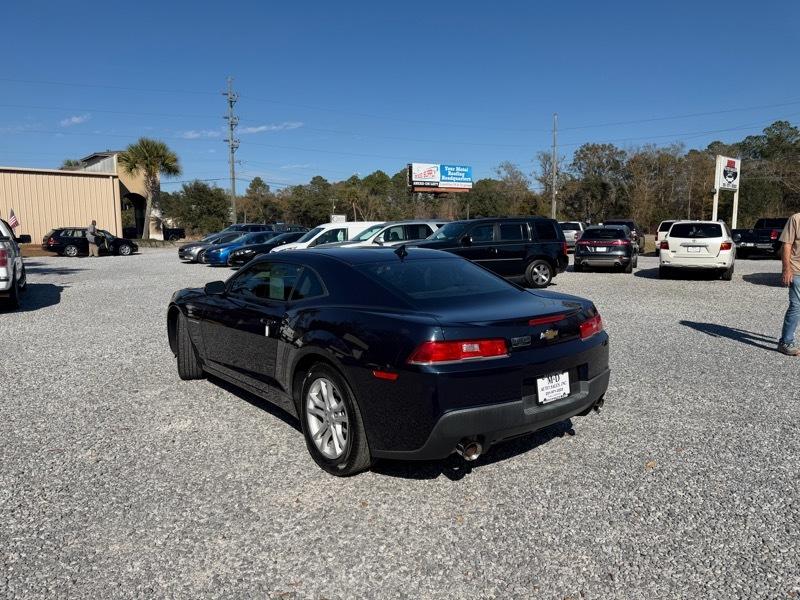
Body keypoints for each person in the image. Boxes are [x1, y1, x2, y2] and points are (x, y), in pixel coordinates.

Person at [778, 213, 800, 356]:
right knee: (796, 305)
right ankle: (786, 341)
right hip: (797, 269)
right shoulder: (796, 219)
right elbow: (786, 244)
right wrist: (786, 269)